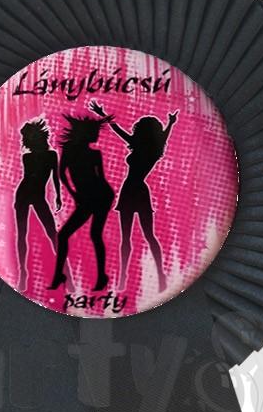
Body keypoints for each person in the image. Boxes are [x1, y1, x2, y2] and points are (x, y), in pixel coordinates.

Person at [89, 100, 177, 292]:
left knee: (128, 238)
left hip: (130, 190)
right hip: (139, 191)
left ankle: (124, 278)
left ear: (141, 130)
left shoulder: (138, 145)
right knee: (147, 236)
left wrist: (102, 113)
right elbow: (163, 137)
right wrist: (170, 123)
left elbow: (117, 130)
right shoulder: (154, 149)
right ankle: (158, 276)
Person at [49, 113, 115, 292]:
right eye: (94, 132)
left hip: (101, 196)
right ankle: (58, 275)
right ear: (85, 133)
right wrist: (74, 194)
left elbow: (101, 179)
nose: (97, 135)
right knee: (65, 235)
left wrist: (81, 197)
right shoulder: (69, 150)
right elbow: (62, 174)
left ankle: (101, 277)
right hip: (88, 197)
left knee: (94, 234)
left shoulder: (95, 154)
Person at [13, 119, 63, 292]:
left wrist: (58, 196)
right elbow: (35, 178)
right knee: (22, 234)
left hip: (37, 196)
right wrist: (57, 196)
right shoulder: (27, 157)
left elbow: (55, 177)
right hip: (24, 195)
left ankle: (63, 268)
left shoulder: (51, 155)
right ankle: (23, 273)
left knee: (51, 231)